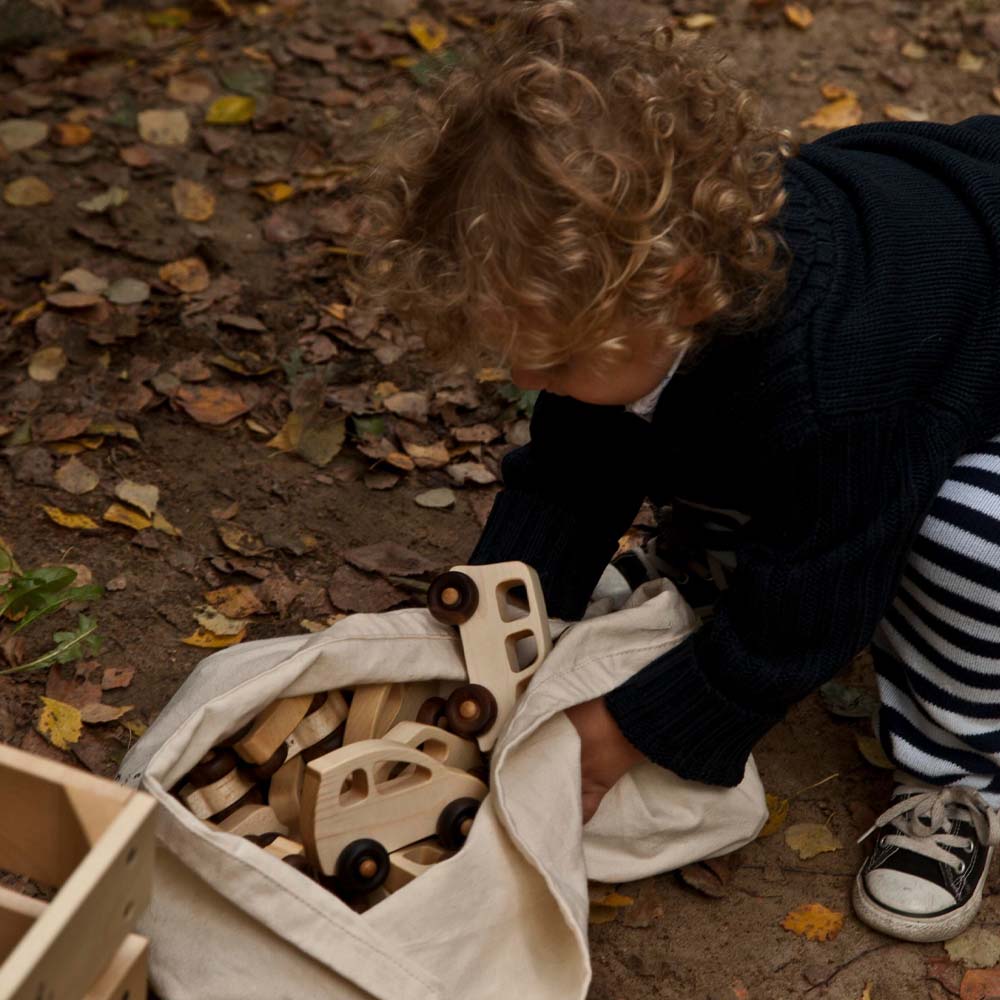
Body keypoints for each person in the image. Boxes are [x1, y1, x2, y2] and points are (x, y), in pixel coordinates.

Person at [350, 0, 1000, 943]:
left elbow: (815, 605)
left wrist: (618, 735)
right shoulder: (642, 303)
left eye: (558, 361)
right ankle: (710, 566)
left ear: (685, 288)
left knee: (964, 537)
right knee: (682, 420)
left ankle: (958, 771)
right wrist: (506, 608)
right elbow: (575, 470)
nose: (532, 381)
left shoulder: (836, 379)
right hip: (862, 385)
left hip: (956, 389)